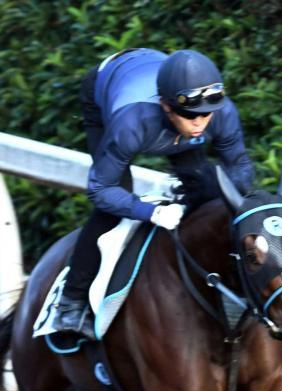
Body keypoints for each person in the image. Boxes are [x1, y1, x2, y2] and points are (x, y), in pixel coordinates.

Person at [53, 47, 255, 333]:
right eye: (189, 114)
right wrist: (152, 212)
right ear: (166, 105)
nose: (199, 123)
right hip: (107, 86)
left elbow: (240, 167)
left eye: (206, 114)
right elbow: (100, 189)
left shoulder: (221, 113)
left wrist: (237, 201)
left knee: (207, 194)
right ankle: (70, 303)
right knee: (111, 209)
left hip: (156, 85)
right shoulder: (131, 123)